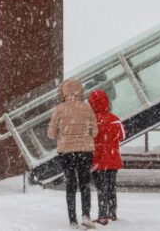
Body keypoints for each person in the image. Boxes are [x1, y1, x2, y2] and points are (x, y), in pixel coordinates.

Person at [47, 78, 98, 229]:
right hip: (85, 150)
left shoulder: (60, 109)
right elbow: (95, 132)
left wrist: (60, 132)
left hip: (67, 152)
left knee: (70, 185)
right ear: (80, 91)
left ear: (63, 92)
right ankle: (86, 215)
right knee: (84, 184)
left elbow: (50, 134)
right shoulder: (87, 108)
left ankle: (72, 220)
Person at [88, 89, 125, 225]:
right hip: (113, 159)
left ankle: (102, 215)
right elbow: (122, 136)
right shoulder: (114, 119)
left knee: (101, 188)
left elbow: (88, 138)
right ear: (106, 102)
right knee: (111, 186)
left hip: (97, 160)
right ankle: (112, 212)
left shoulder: (90, 121)